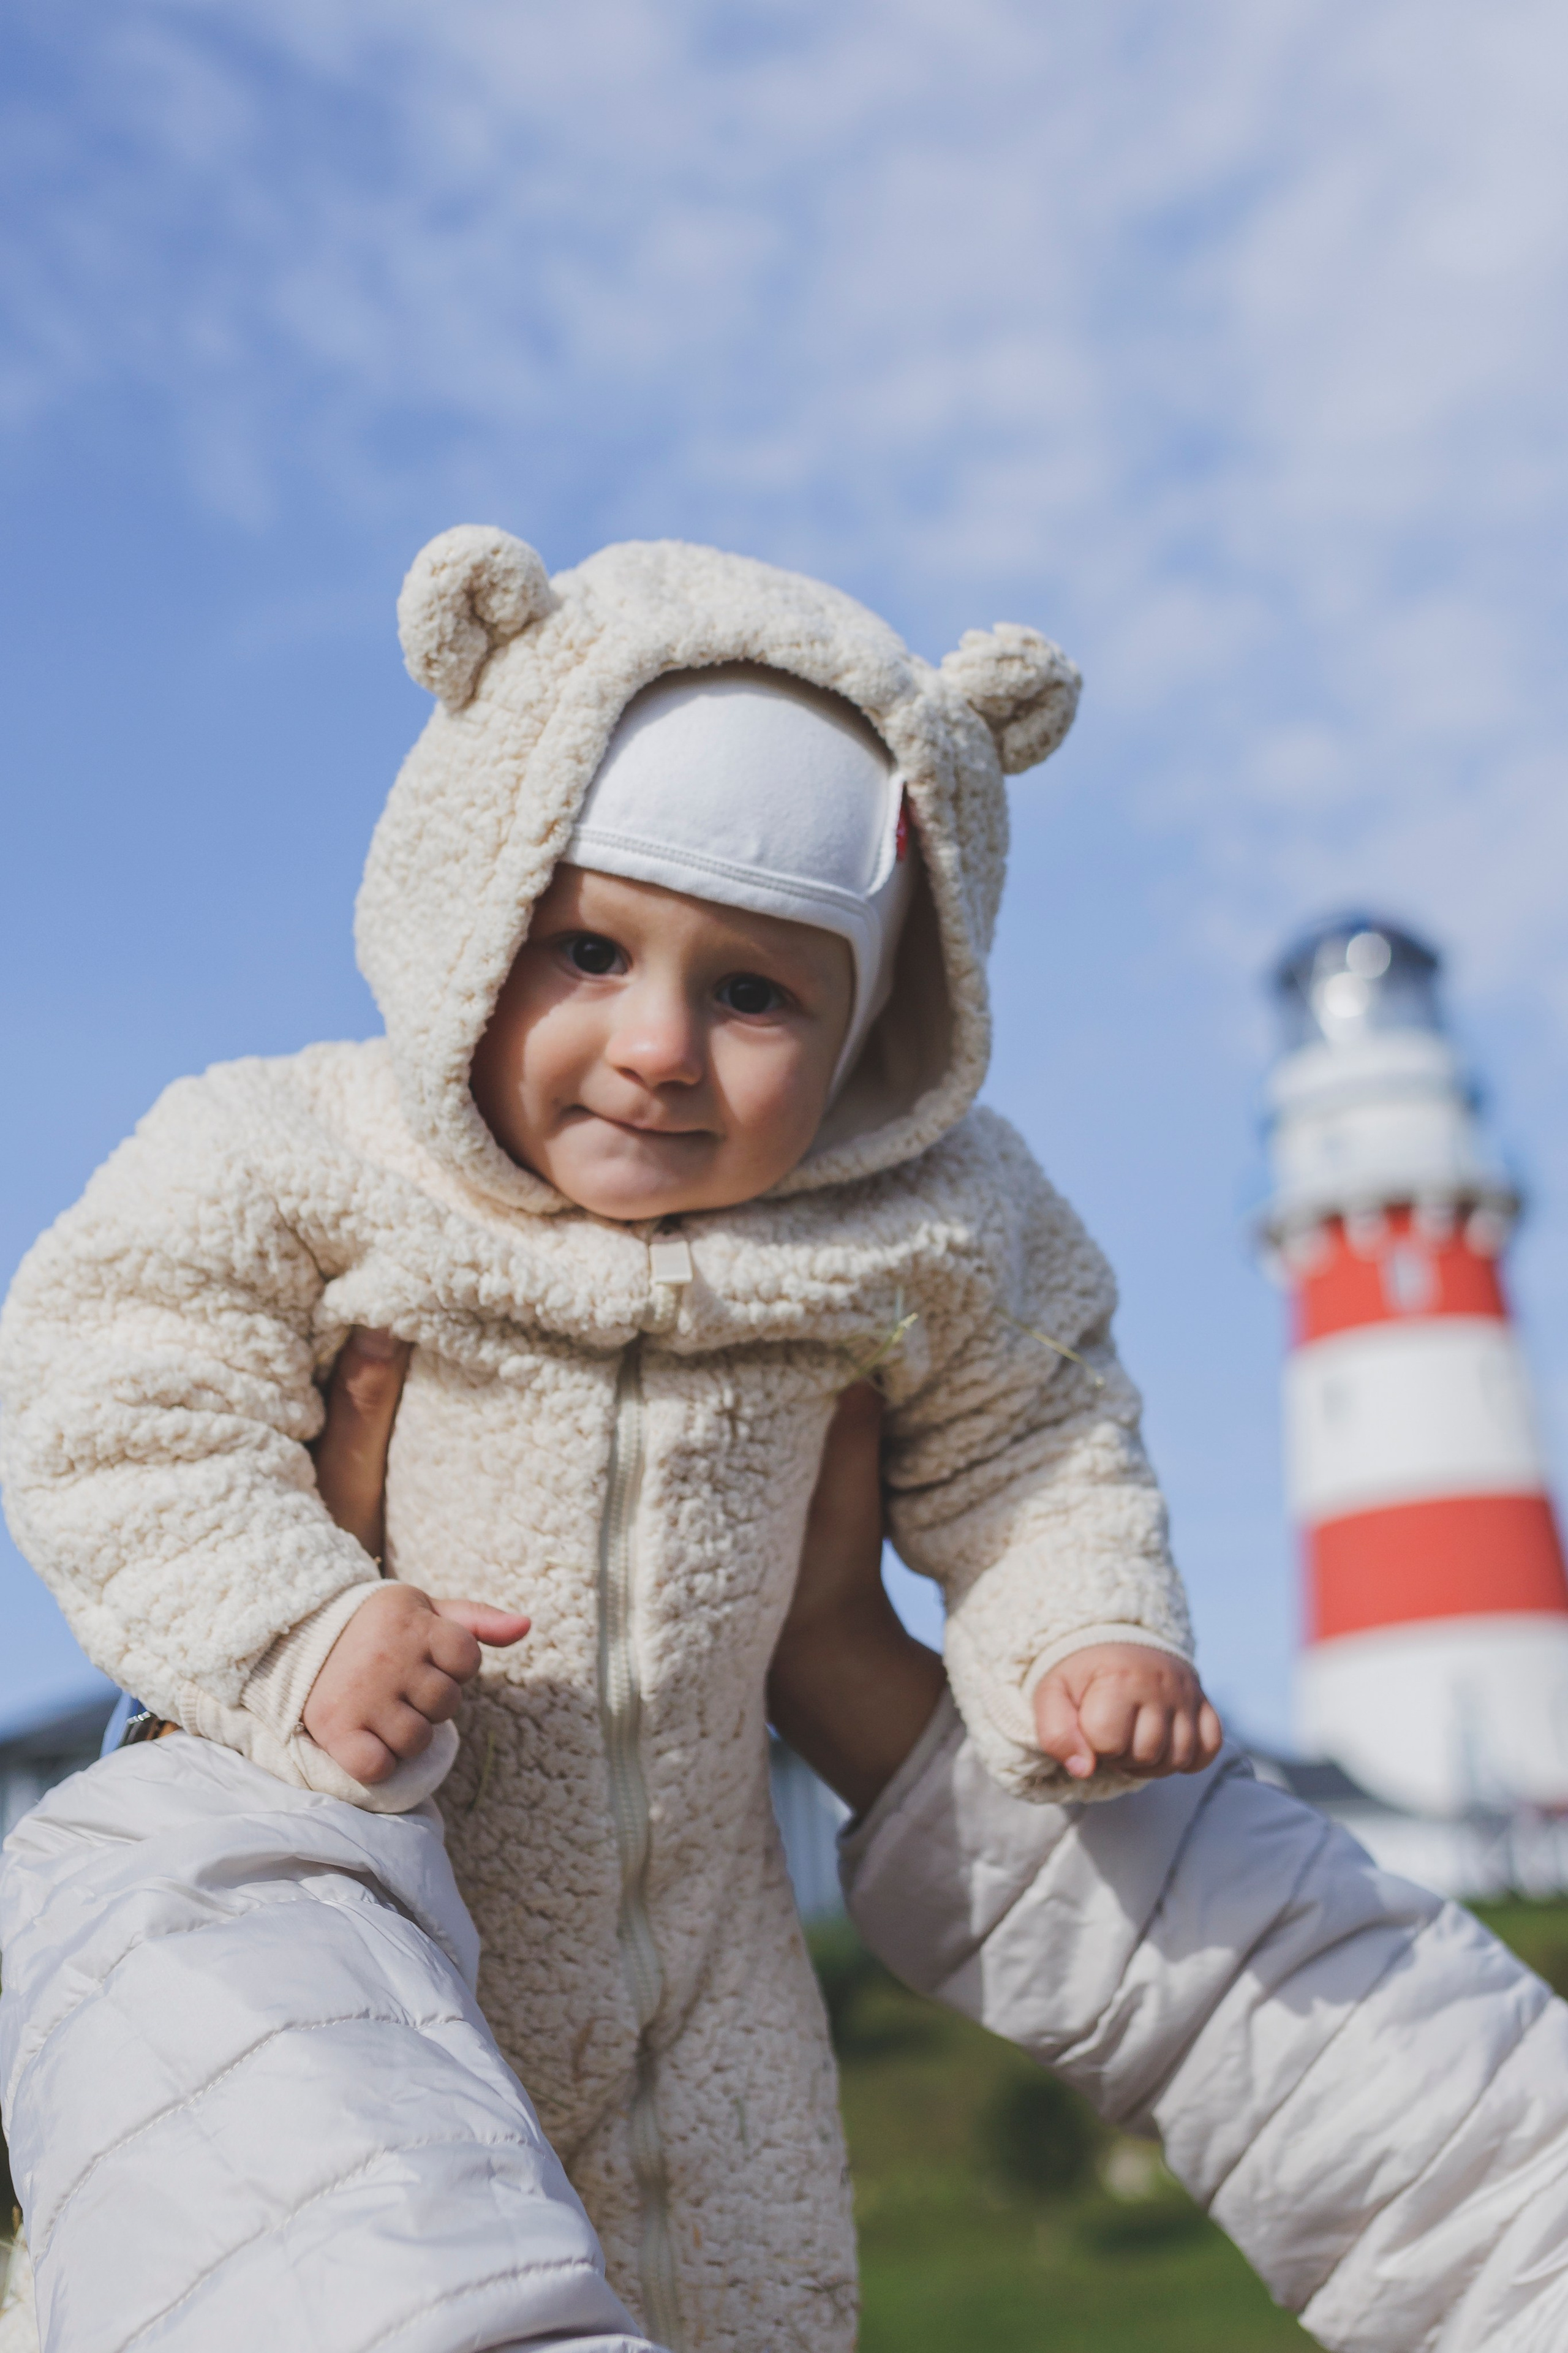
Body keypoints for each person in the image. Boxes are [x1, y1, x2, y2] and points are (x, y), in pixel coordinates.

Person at [0, 524, 1225, 2352]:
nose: (658, 1044)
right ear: (474, 910)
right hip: (353, 1945)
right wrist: (295, 1623)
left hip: (710, 2021)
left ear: (875, 1031)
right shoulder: (312, 1155)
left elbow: (1038, 1431)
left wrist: (1082, 1630)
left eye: (755, 992)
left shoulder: (922, 1234)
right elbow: (115, 1384)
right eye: (589, 948)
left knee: (741, 2297)